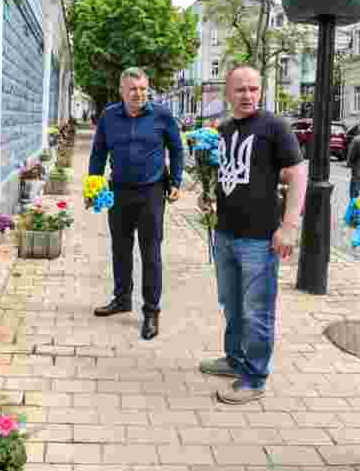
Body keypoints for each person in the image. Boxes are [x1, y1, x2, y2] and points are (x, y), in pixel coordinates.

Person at [194, 66, 306, 405]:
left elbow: (298, 174)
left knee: (257, 311)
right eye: (240, 89)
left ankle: (254, 378)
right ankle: (234, 360)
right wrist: (209, 196)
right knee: (231, 304)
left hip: (259, 238)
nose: (247, 95)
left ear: (261, 91)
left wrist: (289, 226)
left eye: (253, 89)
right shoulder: (224, 129)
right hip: (225, 234)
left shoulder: (274, 126)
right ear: (228, 93)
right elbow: (227, 173)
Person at [88, 67, 184, 341]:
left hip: (152, 192)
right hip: (118, 190)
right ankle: (122, 299)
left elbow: (177, 149)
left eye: (143, 89)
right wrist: (93, 187)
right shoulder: (109, 116)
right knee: (120, 247)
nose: (139, 94)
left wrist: (176, 181)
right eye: (133, 89)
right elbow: (98, 153)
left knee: (150, 252)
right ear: (122, 90)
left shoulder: (161, 115)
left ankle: (151, 311)